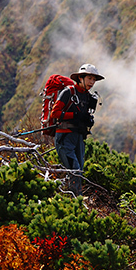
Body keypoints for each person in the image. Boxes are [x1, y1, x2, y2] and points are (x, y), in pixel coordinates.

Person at [51, 63, 104, 194]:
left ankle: (72, 197)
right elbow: (55, 113)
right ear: (80, 78)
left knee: (79, 170)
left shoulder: (87, 96)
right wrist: (74, 115)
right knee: (74, 169)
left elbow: (83, 116)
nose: (92, 82)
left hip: (78, 137)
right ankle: (75, 201)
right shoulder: (68, 93)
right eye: (89, 78)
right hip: (65, 137)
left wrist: (87, 120)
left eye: (94, 79)